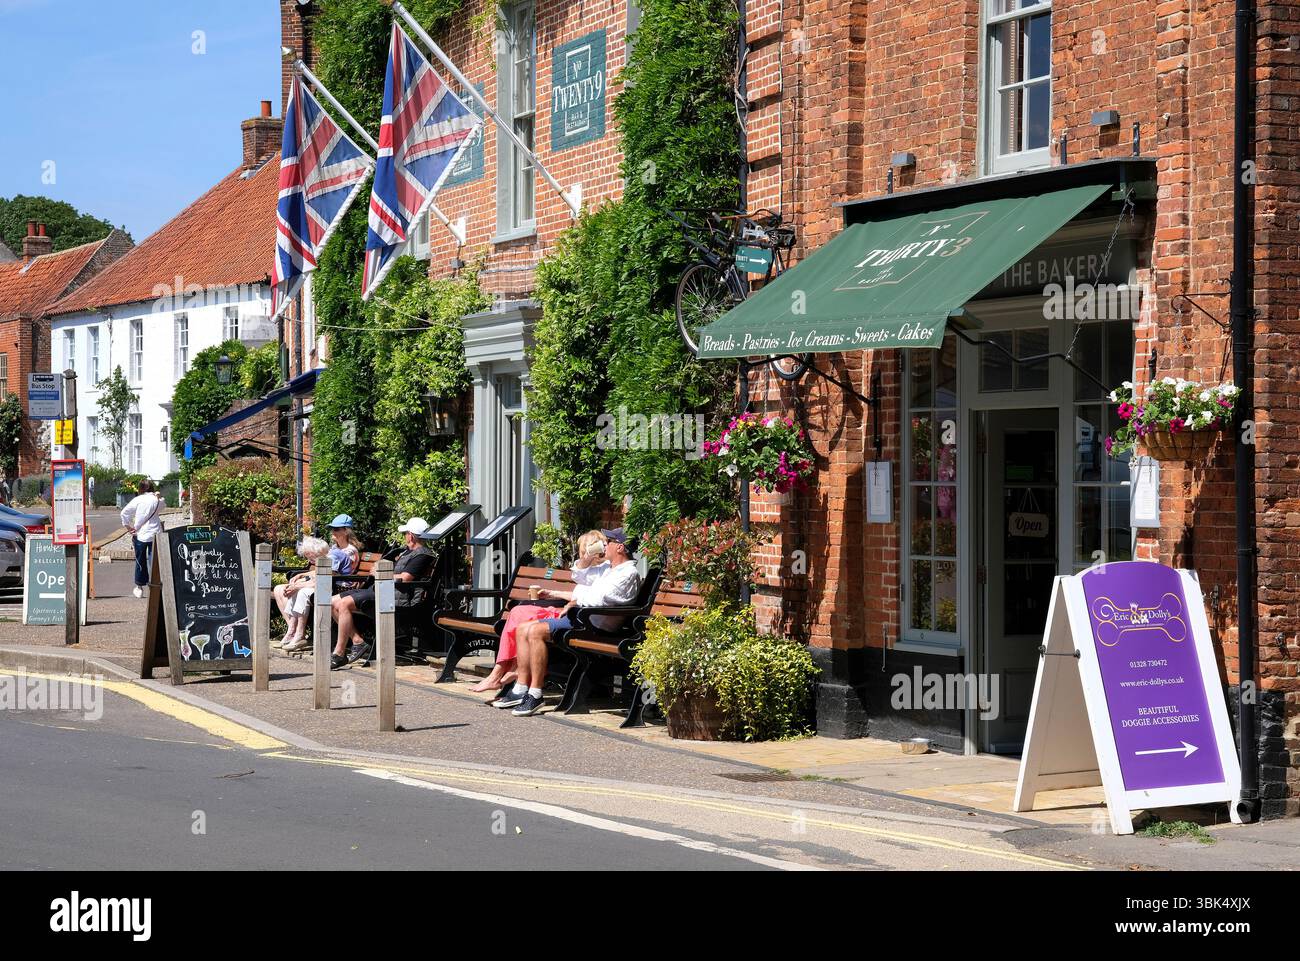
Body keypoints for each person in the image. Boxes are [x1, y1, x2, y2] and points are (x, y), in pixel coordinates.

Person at [493, 527, 642, 717]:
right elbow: (579, 577)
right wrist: (587, 557)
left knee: (535, 631)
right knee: (522, 629)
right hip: (582, 619)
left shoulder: (628, 574)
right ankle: (521, 687)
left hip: (595, 627)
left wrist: (573, 598)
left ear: (620, 547)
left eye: (609, 542)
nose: (605, 545)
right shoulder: (608, 568)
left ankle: (536, 693)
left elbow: (600, 599)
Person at [469, 530, 610, 694]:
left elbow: (586, 596)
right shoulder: (590, 570)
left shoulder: (604, 570)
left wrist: (570, 601)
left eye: (585, 548)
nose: (583, 552)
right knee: (518, 611)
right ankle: (505, 670)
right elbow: (579, 587)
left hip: (571, 615)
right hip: (567, 610)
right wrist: (552, 593)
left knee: (520, 614)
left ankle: (502, 673)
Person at [329, 517, 435, 669]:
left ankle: (339, 653)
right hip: (380, 590)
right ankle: (358, 641)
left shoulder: (422, 555)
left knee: (343, 604)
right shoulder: (406, 552)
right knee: (332, 601)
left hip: (394, 597)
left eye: (405, 533)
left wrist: (380, 573)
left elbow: (405, 578)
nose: (404, 536)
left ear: (411, 535)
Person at [273, 536, 331, 653]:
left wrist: (298, 585)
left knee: (301, 591)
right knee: (281, 588)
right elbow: (315, 573)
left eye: (309, 555)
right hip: (320, 586)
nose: (308, 559)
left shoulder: (328, 557)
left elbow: (323, 578)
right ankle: (292, 630)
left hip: (327, 589)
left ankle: (299, 634)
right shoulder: (320, 558)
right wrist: (301, 577)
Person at [120, 479, 163, 599]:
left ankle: (139, 587)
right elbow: (163, 506)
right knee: (154, 560)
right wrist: (159, 497)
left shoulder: (138, 499)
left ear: (141, 488)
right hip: (156, 533)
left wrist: (128, 526)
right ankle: (156, 584)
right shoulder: (157, 500)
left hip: (141, 534)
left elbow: (124, 513)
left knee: (140, 560)